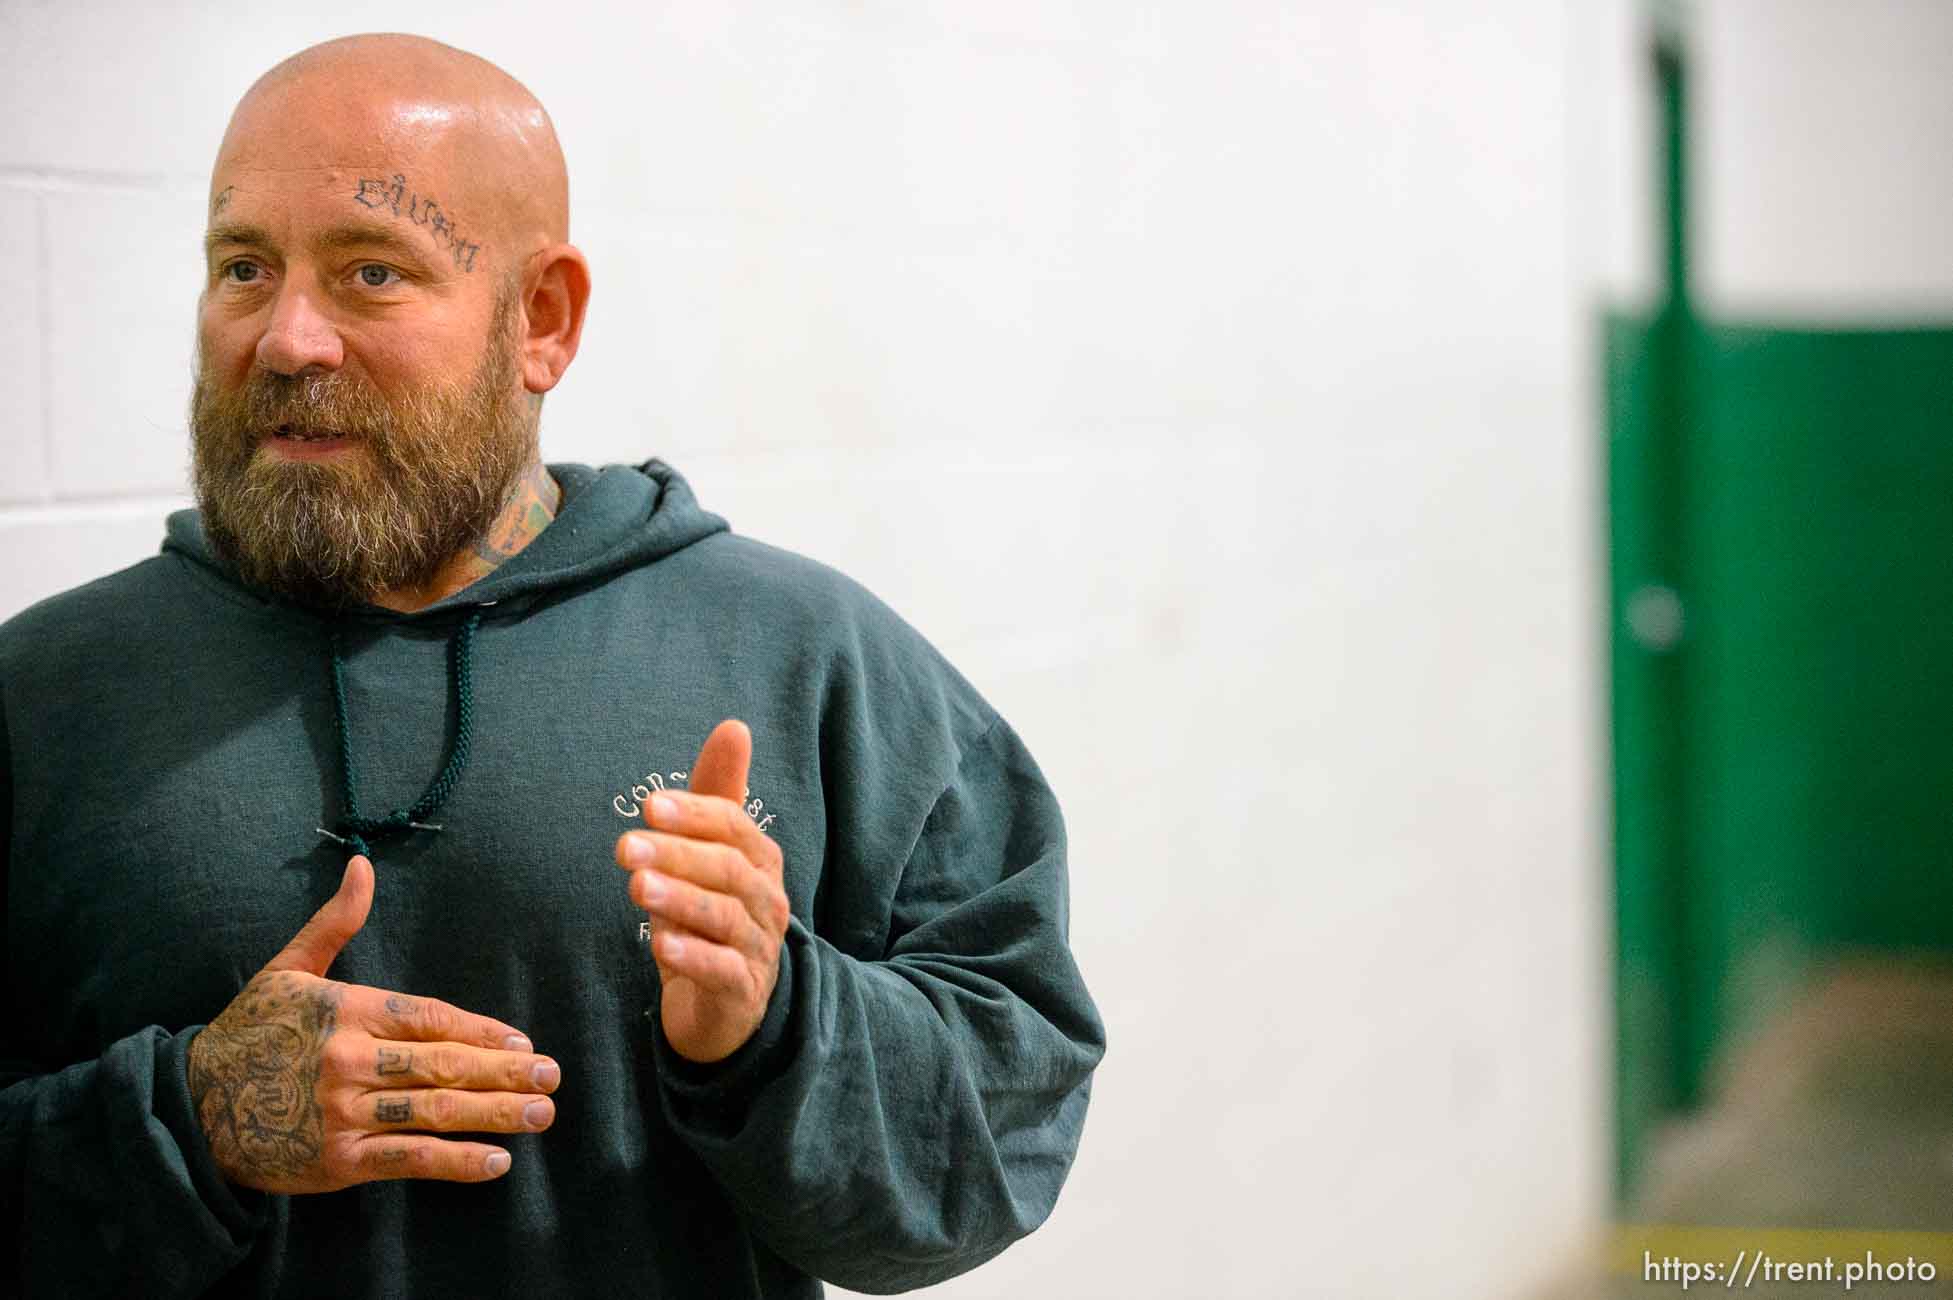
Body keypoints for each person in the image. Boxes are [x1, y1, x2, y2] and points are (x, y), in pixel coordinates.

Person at [0, 33, 1104, 1299]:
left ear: (543, 319)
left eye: (370, 272)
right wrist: (188, 1126)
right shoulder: (45, 697)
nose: (288, 336)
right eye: (243, 267)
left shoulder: (806, 657)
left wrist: (775, 1026)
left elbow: (1006, 1133)